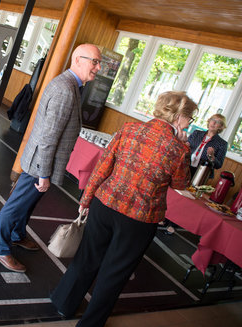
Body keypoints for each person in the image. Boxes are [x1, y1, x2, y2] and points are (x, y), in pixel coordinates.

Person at [50, 91, 198, 327]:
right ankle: (91, 323)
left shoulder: (129, 129)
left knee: (88, 255)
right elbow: (180, 184)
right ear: (179, 117)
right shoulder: (178, 149)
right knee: (115, 272)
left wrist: (86, 199)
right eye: (189, 118)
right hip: (139, 219)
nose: (189, 123)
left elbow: (102, 167)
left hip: (105, 203)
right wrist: (182, 146)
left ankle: (62, 302)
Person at [0, 44, 102, 273]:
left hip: (42, 160)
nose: (98, 68)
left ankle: (17, 234)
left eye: (99, 63)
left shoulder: (71, 85)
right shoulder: (64, 88)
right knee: (15, 206)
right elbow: (48, 136)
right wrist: (43, 173)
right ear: (78, 59)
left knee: (28, 204)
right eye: (95, 62)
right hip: (39, 161)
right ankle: (0, 248)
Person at [188, 113, 228, 178]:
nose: (214, 122)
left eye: (218, 122)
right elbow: (185, 148)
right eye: (212, 119)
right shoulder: (196, 133)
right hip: (185, 166)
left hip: (201, 173)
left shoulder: (222, 144)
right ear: (209, 121)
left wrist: (212, 157)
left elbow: (218, 165)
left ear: (221, 126)